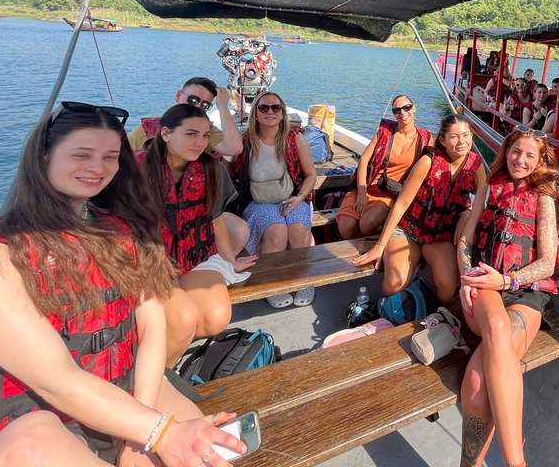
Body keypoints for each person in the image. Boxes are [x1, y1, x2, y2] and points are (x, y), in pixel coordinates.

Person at [0, 102, 245, 466]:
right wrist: (158, 431)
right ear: (43, 157)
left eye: (111, 156)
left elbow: (152, 325)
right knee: (39, 435)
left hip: (119, 388)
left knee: (209, 453)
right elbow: (55, 380)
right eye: (81, 154)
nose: (98, 168)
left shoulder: (124, 230)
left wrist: (143, 419)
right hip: (22, 426)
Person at [456, 125, 559, 467]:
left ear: (540, 159)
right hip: (483, 284)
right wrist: (465, 279)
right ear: (507, 151)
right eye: (516, 152)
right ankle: (516, 461)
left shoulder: (545, 194)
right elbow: (466, 242)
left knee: (476, 385)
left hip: (523, 291)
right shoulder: (489, 186)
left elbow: (547, 263)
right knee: (498, 331)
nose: (521, 159)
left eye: (530, 155)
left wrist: (508, 280)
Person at [139, 104, 257, 367]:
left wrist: (231, 260)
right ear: (166, 134)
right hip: (151, 263)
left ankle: (162, 354)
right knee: (183, 318)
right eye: (191, 134)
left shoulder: (210, 170)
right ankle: (159, 375)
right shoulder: (137, 170)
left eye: (205, 136)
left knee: (215, 318)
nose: (200, 143)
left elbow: (216, 222)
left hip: (194, 256)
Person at [353, 115, 486, 305]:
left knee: (449, 288)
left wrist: (468, 212)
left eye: (466, 135)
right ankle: (409, 282)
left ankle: (434, 310)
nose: (461, 141)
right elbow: (401, 204)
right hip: (408, 230)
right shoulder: (428, 161)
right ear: (443, 139)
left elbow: (483, 200)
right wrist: (380, 246)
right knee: (393, 285)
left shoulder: (476, 165)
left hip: (440, 237)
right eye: (454, 136)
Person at [232, 92, 318, 308]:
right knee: (276, 231)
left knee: (298, 229)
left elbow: (311, 175)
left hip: (292, 197)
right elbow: (226, 172)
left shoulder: (294, 138)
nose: (270, 112)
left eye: (275, 108)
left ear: (282, 113)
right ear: (256, 113)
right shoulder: (243, 141)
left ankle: (302, 278)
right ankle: (271, 281)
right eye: (263, 108)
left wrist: (299, 198)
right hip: (258, 201)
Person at [337, 96, 432, 240]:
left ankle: (394, 232)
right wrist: (362, 193)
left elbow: (432, 168)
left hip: (388, 194)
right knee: (345, 227)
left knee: (366, 225)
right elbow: (364, 160)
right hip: (365, 188)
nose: (402, 112)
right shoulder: (384, 133)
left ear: (414, 108)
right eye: (397, 110)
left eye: (407, 107)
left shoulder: (425, 138)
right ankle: (369, 247)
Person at [128, 77, 242, 158]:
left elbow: (233, 148)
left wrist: (223, 107)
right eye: (193, 100)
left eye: (205, 105)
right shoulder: (145, 131)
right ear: (178, 96)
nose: (197, 107)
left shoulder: (207, 133)